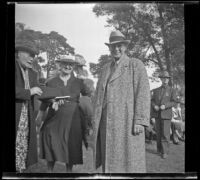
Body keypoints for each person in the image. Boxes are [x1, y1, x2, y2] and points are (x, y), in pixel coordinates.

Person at [92, 30, 151, 173]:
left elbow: (143, 92)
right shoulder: (105, 68)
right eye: (113, 46)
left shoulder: (135, 65)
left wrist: (140, 120)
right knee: (109, 160)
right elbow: (98, 96)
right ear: (109, 48)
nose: (116, 49)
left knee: (129, 162)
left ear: (125, 47)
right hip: (106, 122)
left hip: (127, 122)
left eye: (120, 45)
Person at [36, 55, 90, 173]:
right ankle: (50, 171)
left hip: (73, 119)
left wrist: (82, 76)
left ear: (74, 67)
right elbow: (45, 99)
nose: (68, 66)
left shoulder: (78, 82)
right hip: (54, 117)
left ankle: (68, 173)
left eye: (71, 64)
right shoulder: (51, 82)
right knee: (51, 142)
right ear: (60, 65)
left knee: (71, 144)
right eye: (65, 63)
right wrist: (41, 114)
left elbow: (87, 94)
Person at [15, 39, 43, 172]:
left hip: (27, 118)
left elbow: (39, 91)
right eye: (29, 54)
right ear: (19, 53)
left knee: (23, 147)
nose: (32, 58)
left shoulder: (32, 73)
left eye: (34, 56)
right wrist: (29, 92)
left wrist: (53, 99)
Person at [151, 71, 177, 159]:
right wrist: (154, 106)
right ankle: (159, 150)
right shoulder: (156, 90)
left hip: (166, 115)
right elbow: (152, 100)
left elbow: (174, 102)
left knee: (165, 134)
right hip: (157, 115)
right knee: (158, 134)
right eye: (163, 78)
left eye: (167, 78)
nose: (165, 79)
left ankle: (165, 152)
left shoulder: (172, 90)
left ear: (168, 79)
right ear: (161, 79)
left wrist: (165, 106)